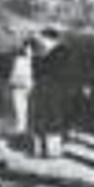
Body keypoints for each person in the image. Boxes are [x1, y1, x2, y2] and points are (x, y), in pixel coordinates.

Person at [29, 27, 68, 159]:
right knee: (42, 117)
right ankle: (41, 148)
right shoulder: (44, 52)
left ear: (50, 39)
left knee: (53, 117)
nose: (41, 42)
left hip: (55, 90)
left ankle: (52, 150)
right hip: (44, 89)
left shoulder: (61, 52)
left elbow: (49, 70)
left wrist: (37, 59)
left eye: (42, 39)